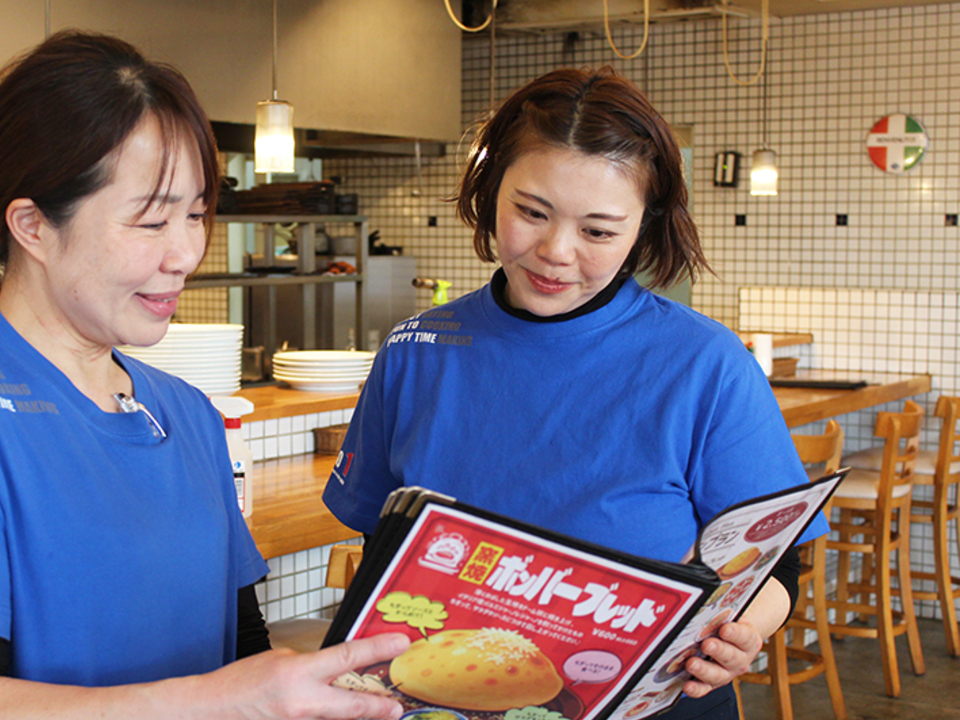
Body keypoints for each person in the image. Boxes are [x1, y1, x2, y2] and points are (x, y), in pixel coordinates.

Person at [0, 30, 408, 720]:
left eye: (198, 214)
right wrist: (220, 701)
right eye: (150, 221)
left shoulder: (187, 413)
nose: (185, 254)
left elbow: (241, 647)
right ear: (32, 226)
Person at [322, 67, 827, 720]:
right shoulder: (417, 349)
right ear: (488, 189)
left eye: (597, 231)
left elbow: (773, 565)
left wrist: (745, 632)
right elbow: (380, 544)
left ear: (643, 229)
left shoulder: (706, 364)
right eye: (531, 212)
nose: (555, 251)